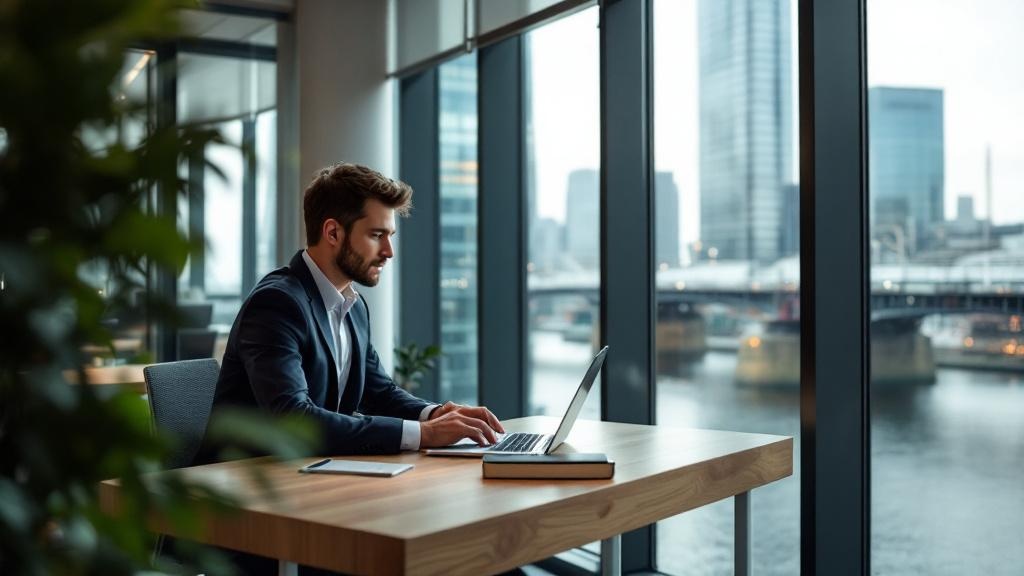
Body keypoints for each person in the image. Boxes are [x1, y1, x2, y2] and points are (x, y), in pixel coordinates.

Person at [210, 162, 504, 458]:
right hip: (241, 484)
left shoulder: (353, 306)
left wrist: (435, 414)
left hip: (309, 476)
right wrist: (424, 434)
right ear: (333, 233)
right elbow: (294, 419)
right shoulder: (277, 304)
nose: (389, 251)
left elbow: (379, 393)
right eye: (377, 235)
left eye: (390, 236)